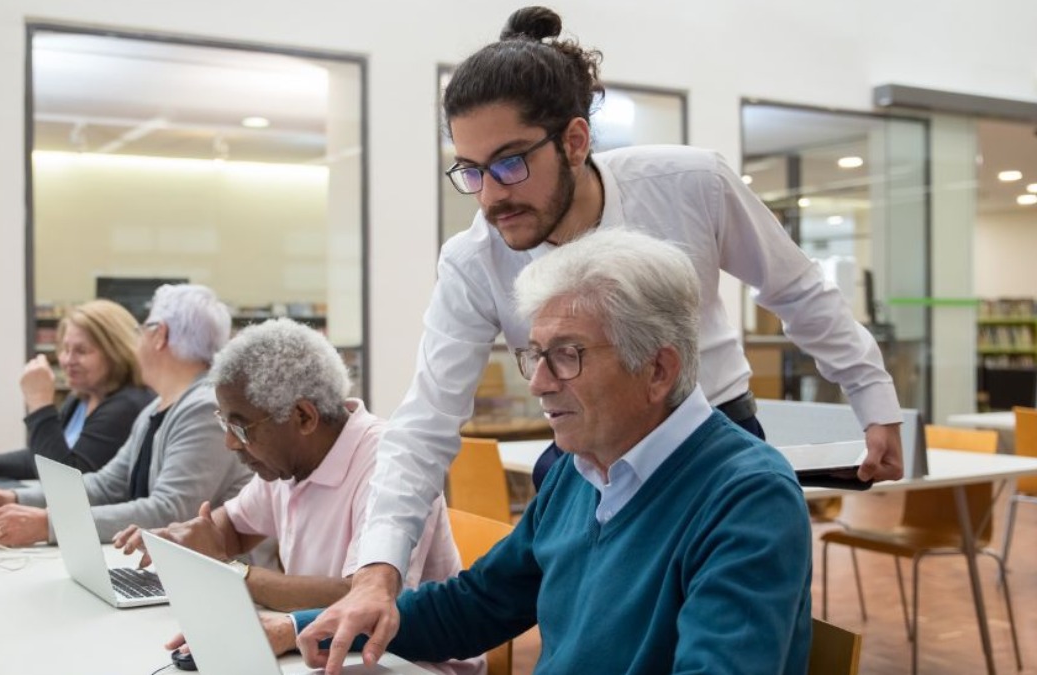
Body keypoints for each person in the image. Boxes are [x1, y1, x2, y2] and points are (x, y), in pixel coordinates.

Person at [301, 7, 902, 672]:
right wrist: (373, 572)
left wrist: (873, 401)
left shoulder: (689, 184)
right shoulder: (475, 260)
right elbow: (425, 425)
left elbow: (796, 290)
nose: (489, 197)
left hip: (707, 442)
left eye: (508, 164)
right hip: (593, 451)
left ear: (576, 139)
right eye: (470, 170)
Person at [289, 230, 813, 673]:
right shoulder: (580, 472)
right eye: (536, 355)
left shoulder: (747, 496)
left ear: (658, 369)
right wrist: (299, 628)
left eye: (566, 355)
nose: (538, 383)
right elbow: (476, 605)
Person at [112, 319, 483, 675]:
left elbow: (360, 596)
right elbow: (233, 528)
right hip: (327, 646)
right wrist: (184, 541)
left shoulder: (389, 466)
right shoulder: (286, 464)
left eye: (239, 426)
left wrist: (231, 571)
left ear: (304, 417)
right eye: (224, 423)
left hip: (409, 660)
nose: (229, 443)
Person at [0, 284, 252, 548]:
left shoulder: (204, 409)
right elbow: (106, 486)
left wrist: (49, 524)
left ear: (159, 335)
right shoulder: (157, 409)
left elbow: (169, 512)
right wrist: (17, 499)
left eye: (142, 329)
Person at [0, 299, 154, 481]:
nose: (68, 360)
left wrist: (40, 403)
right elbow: (42, 458)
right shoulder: (81, 399)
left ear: (115, 353)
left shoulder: (126, 406)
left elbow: (63, 479)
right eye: (65, 349)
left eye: (81, 351)